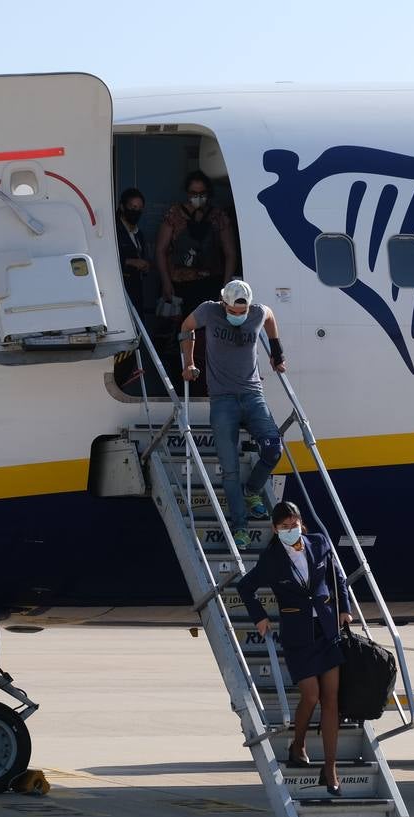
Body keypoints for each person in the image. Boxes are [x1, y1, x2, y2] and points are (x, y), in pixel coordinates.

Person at [238, 502, 352, 796]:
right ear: (275, 529)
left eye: (294, 524)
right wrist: (260, 617)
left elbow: (337, 576)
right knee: (311, 695)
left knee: (331, 700)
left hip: (326, 630)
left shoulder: (320, 542)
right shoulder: (272, 558)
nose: (290, 530)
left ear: (302, 523)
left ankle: (330, 768)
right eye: (284, 527)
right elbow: (245, 588)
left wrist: (345, 609)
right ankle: (298, 744)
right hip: (298, 636)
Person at [180, 279, 285, 550]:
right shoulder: (209, 311)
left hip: (253, 395)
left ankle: (252, 491)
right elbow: (186, 327)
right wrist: (189, 363)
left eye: (243, 312)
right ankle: (240, 527)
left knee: (274, 449)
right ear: (223, 302)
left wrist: (277, 352)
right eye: (234, 311)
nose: (239, 316)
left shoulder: (258, 312)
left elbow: (271, 316)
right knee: (229, 470)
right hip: (222, 399)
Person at [156, 170, 237, 318]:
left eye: (202, 193)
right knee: (182, 329)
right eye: (193, 193)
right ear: (187, 192)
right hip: (180, 284)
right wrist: (166, 282)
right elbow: (161, 250)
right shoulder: (174, 214)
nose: (198, 197)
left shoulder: (218, 216)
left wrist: (226, 287)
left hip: (211, 283)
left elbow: (230, 253)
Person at [116, 188, 152, 310]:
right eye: (132, 207)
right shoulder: (113, 230)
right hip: (119, 289)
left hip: (135, 289)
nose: (136, 211)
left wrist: (144, 265)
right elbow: (105, 259)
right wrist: (130, 262)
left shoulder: (138, 233)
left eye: (139, 208)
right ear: (122, 207)